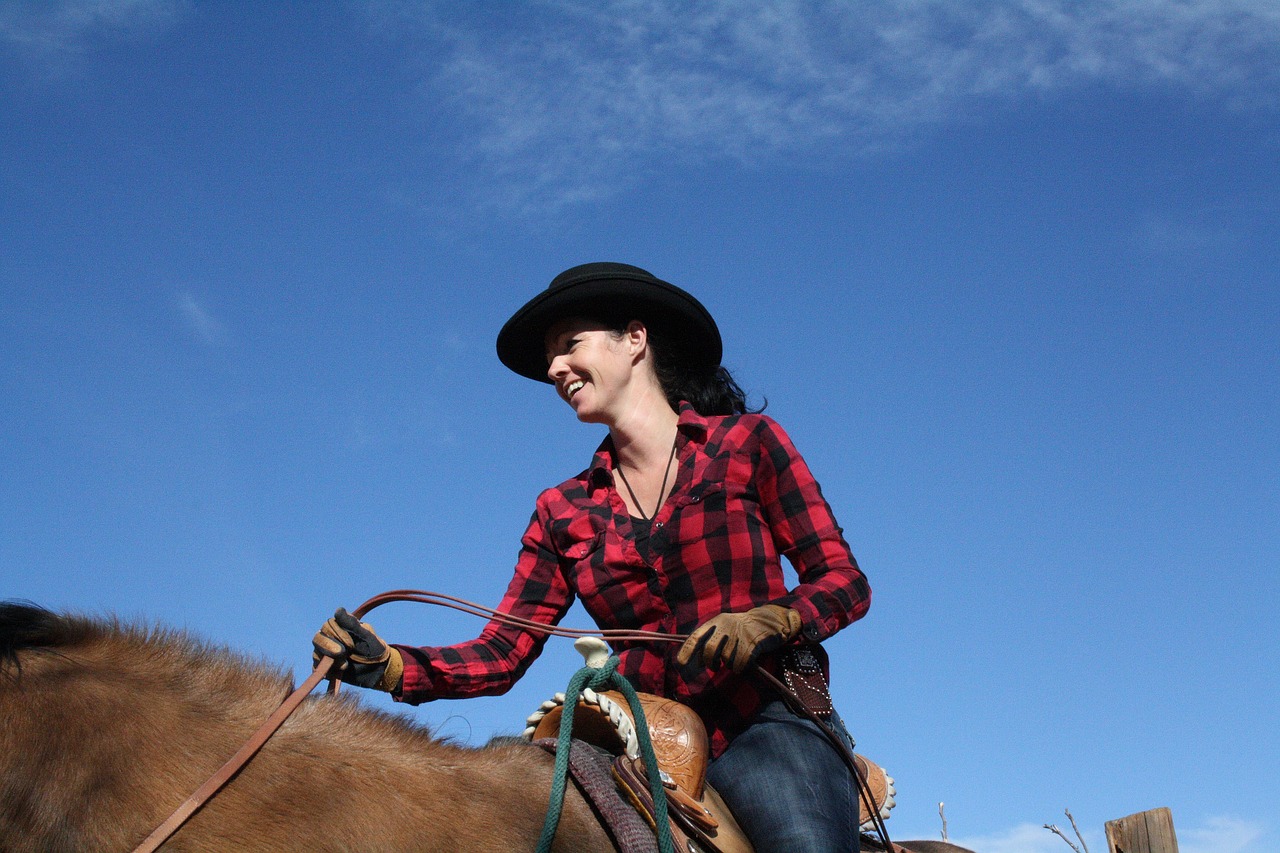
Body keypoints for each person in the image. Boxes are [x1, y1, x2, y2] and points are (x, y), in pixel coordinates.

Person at [314, 262, 871, 852]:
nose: (554, 369)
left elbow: (844, 580)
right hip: (631, 733)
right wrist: (395, 666)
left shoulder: (749, 443)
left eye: (569, 346)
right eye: (550, 359)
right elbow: (502, 652)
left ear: (635, 339)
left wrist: (774, 619)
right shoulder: (561, 509)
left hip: (761, 719)